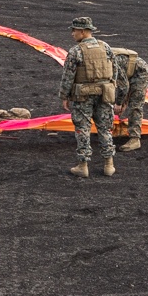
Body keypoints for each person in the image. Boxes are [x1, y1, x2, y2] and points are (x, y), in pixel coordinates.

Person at [59, 17, 117, 177]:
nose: (72, 34)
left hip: (83, 95)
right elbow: (115, 70)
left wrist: (64, 95)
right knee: (105, 128)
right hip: (105, 93)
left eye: (75, 30)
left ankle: (83, 165)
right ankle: (109, 165)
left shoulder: (76, 51)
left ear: (83, 31)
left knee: (82, 129)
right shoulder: (105, 47)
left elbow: (68, 76)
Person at [111, 47, 148, 152]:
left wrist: (119, 103)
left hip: (140, 72)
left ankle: (135, 139)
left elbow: (123, 86)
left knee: (135, 105)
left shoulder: (109, 61)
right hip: (126, 72)